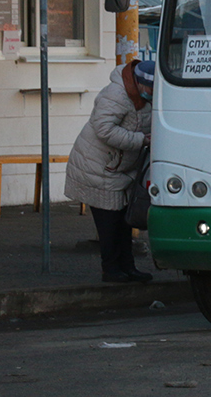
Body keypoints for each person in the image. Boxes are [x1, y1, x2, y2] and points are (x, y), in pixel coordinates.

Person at [65, 59, 156, 283]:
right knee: (109, 224)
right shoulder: (116, 94)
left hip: (120, 169)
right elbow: (103, 129)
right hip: (98, 167)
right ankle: (111, 270)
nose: (153, 95)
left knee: (123, 222)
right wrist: (141, 140)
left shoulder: (144, 96)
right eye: (151, 90)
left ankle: (127, 267)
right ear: (140, 83)